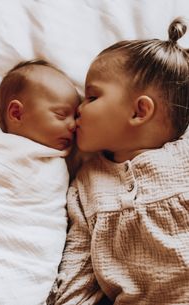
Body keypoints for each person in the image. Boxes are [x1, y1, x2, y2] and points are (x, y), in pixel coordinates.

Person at [50, 18, 189, 305]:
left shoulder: (183, 156)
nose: (78, 108)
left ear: (139, 111)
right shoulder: (86, 184)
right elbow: (77, 267)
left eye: (92, 96)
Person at [0, 60, 80, 305]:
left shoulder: (57, 165)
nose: (73, 125)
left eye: (75, 116)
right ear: (16, 113)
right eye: (61, 114)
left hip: (19, 255)